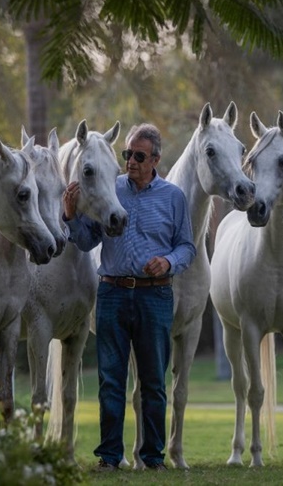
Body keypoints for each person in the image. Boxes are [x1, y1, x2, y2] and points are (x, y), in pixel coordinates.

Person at [62, 123, 196, 472]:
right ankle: (109, 457)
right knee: (110, 380)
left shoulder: (173, 197)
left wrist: (168, 261)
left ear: (155, 159)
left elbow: (187, 246)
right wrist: (70, 215)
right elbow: (88, 240)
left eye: (138, 156)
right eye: (127, 155)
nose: (131, 162)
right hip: (112, 293)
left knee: (153, 382)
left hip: (155, 296)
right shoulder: (111, 189)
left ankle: (152, 458)